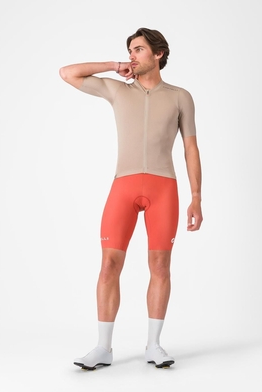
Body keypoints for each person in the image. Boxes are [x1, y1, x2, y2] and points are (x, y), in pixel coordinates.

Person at [59, 27, 203, 370]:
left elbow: (191, 148)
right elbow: (67, 73)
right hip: (123, 186)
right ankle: (103, 348)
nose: (132, 55)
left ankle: (154, 346)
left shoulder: (180, 97)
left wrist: (196, 196)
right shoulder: (117, 90)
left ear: (158, 53)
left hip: (163, 188)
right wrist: (113, 65)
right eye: (129, 50)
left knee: (160, 266)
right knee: (109, 265)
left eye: (138, 49)